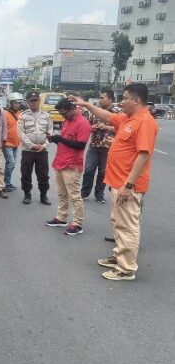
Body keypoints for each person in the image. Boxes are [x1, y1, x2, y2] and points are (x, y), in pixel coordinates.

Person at [71, 83, 159, 280]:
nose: (121, 102)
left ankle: (126, 269)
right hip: (118, 182)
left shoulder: (145, 121)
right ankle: (119, 255)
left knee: (128, 226)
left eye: (125, 98)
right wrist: (86, 104)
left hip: (129, 185)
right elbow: (107, 116)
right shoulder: (129, 118)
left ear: (136, 100)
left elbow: (143, 155)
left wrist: (129, 185)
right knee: (118, 222)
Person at [46, 98, 91, 236]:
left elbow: (80, 145)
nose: (62, 116)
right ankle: (61, 217)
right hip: (60, 161)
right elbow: (66, 142)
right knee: (61, 193)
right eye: (61, 114)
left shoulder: (83, 123)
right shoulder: (66, 121)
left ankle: (77, 224)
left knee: (74, 196)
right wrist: (55, 139)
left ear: (73, 109)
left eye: (64, 113)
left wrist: (60, 139)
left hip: (72, 164)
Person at [17, 91, 53, 205]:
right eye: (31, 101)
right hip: (28, 150)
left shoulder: (46, 116)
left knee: (43, 175)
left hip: (42, 151)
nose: (34, 103)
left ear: (39, 101)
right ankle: (27, 194)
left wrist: (44, 145)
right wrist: (31, 145)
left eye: (35, 100)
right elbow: (20, 133)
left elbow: (50, 133)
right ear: (28, 102)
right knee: (26, 174)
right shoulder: (23, 116)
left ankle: (44, 195)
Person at [81, 89, 116, 203]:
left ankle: (99, 194)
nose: (100, 100)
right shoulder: (95, 111)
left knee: (103, 172)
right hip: (94, 145)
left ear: (110, 99)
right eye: (99, 98)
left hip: (108, 147)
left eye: (102, 98)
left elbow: (121, 128)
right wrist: (92, 127)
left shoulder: (117, 112)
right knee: (89, 169)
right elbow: (87, 125)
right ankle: (84, 192)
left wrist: (106, 127)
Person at [3, 99, 21, 191]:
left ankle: (7, 182)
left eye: (18, 103)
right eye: (15, 103)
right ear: (10, 103)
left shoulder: (20, 114)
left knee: (12, 164)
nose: (17, 105)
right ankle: (6, 183)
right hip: (7, 143)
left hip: (16, 143)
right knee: (11, 163)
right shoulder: (5, 114)